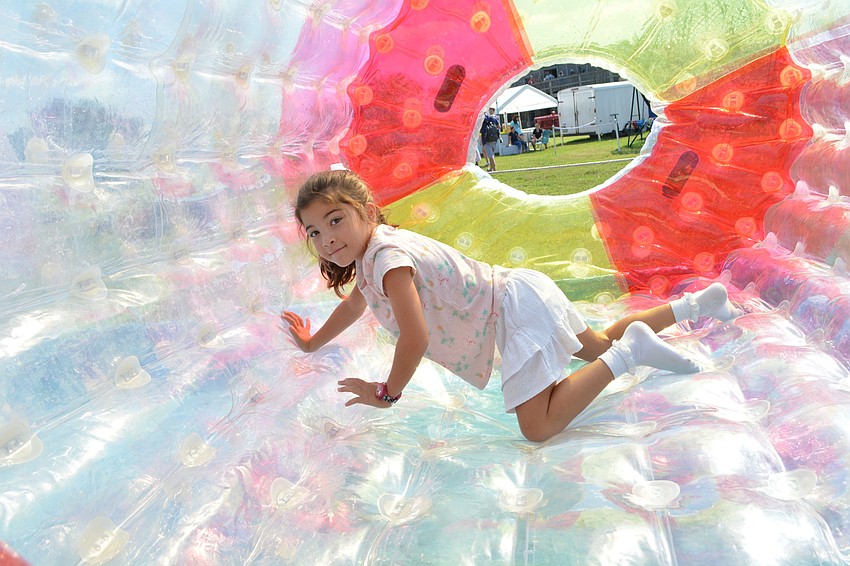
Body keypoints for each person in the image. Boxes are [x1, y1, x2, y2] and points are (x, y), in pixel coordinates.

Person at [281, 170, 742, 442]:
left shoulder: (387, 260)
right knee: (596, 343)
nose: (327, 238)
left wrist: (387, 394)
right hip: (520, 289)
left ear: (367, 210)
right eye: (315, 232)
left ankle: (631, 353)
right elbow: (353, 306)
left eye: (335, 219)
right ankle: (697, 304)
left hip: (512, 312)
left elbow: (415, 337)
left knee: (537, 427)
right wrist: (311, 343)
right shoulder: (375, 253)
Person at [479, 107, 500, 172]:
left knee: (490, 156)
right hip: (494, 139)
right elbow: (498, 126)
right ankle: (491, 168)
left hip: (486, 140)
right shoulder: (493, 118)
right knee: (491, 154)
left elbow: (479, 130)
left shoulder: (481, 119)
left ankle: (494, 169)